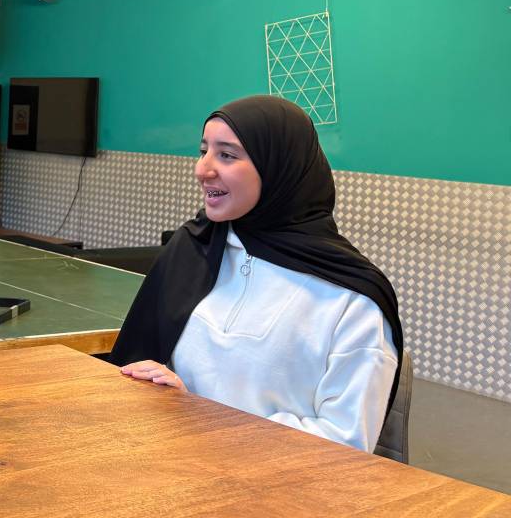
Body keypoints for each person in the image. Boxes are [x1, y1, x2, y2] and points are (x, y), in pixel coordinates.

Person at [109, 95, 402, 451]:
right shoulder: (193, 249)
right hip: (172, 466)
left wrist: (200, 418)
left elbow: (348, 442)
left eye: (227, 155)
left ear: (279, 167)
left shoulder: (352, 301)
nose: (202, 169)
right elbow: (141, 363)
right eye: (204, 151)